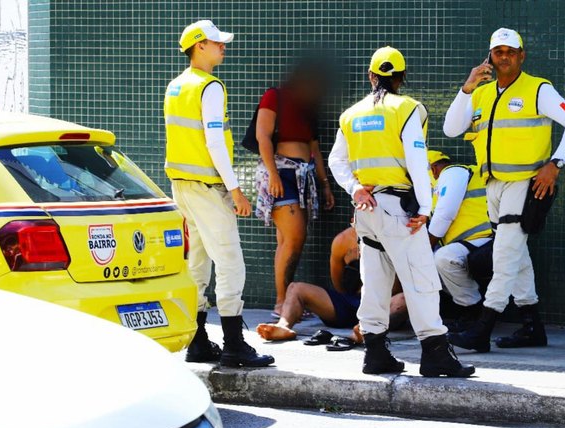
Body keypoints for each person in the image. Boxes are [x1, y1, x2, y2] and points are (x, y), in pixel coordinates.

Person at [327, 46, 475, 377]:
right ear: (401, 78)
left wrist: (355, 188)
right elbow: (417, 162)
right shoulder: (407, 109)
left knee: (375, 281)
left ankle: (375, 353)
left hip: (367, 211)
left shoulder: (351, 114)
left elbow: (336, 160)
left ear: (371, 76)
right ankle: (435, 353)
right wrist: (425, 208)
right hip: (400, 211)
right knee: (421, 280)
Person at [443, 28, 565, 352]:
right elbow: (451, 129)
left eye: (511, 51)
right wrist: (467, 88)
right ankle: (532, 326)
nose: (504, 56)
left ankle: (482, 329)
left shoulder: (538, 89)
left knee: (505, 255)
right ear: (490, 57)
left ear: (522, 56)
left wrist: (555, 164)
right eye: (498, 52)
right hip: (493, 186)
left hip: (525, 185)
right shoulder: (480, 93)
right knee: (516, 254)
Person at [164, 20, 273, 367]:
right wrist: (236, 190)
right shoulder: (209, 87)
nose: (223, 47)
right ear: (199, 46)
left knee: (197, 263)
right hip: (208, 189)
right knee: (229, 263)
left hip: (182, 187)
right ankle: (234, 345)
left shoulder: (176, 86)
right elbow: (214, 142)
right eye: (216, 42)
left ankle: (197, 343)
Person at [254, 64, 336, 317]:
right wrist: (274, 175)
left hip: (304, 176)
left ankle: (290, 301)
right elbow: (262, 136)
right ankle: (281, 302)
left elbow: (314, 149)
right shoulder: (274, 96)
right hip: (279, 172)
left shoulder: (309, 108)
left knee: (287, 240)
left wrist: (325, 185)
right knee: (294, 238)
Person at [255, 226, 407, 341]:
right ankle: (283, 326)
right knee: (296, 288)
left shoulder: (396, 240)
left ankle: (368, 330)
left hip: (382, 307)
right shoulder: (342, 241)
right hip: (349, 303)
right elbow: (337, 282)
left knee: (405, 299)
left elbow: (401, 285)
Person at [427, 150, 493, 330]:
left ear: (433, 169)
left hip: (486, 241)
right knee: (429, 264)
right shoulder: (442, 184)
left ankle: (474, 312)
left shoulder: (452, 173)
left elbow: (445, 215)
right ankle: (464, 310)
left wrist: (426, 247)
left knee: (442, 258)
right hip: (469, 244)